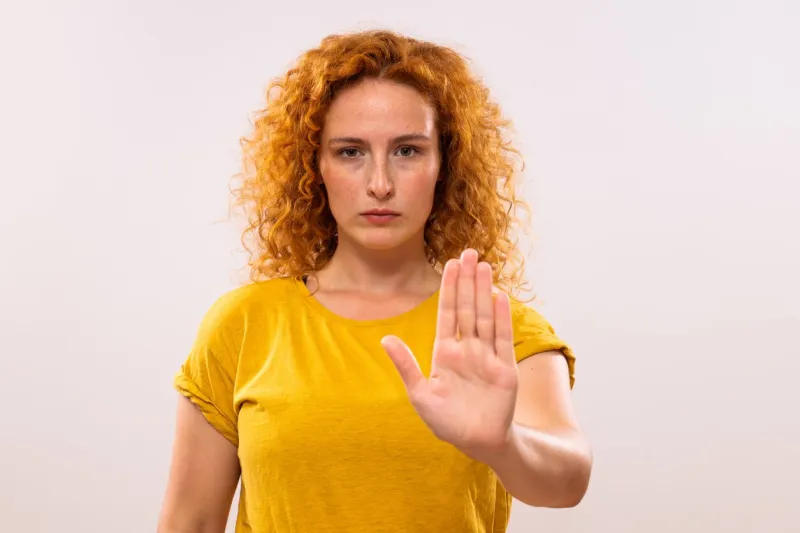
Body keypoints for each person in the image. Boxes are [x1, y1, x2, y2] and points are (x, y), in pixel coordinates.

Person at [157, 29, 592, 533]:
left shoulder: (496, 327)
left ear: (443, 166)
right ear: (313, 166)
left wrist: (502, 442)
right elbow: (189, 521)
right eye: (350, 152)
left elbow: (569, 480)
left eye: (407, 151)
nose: (380, 183)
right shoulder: (244, 323)